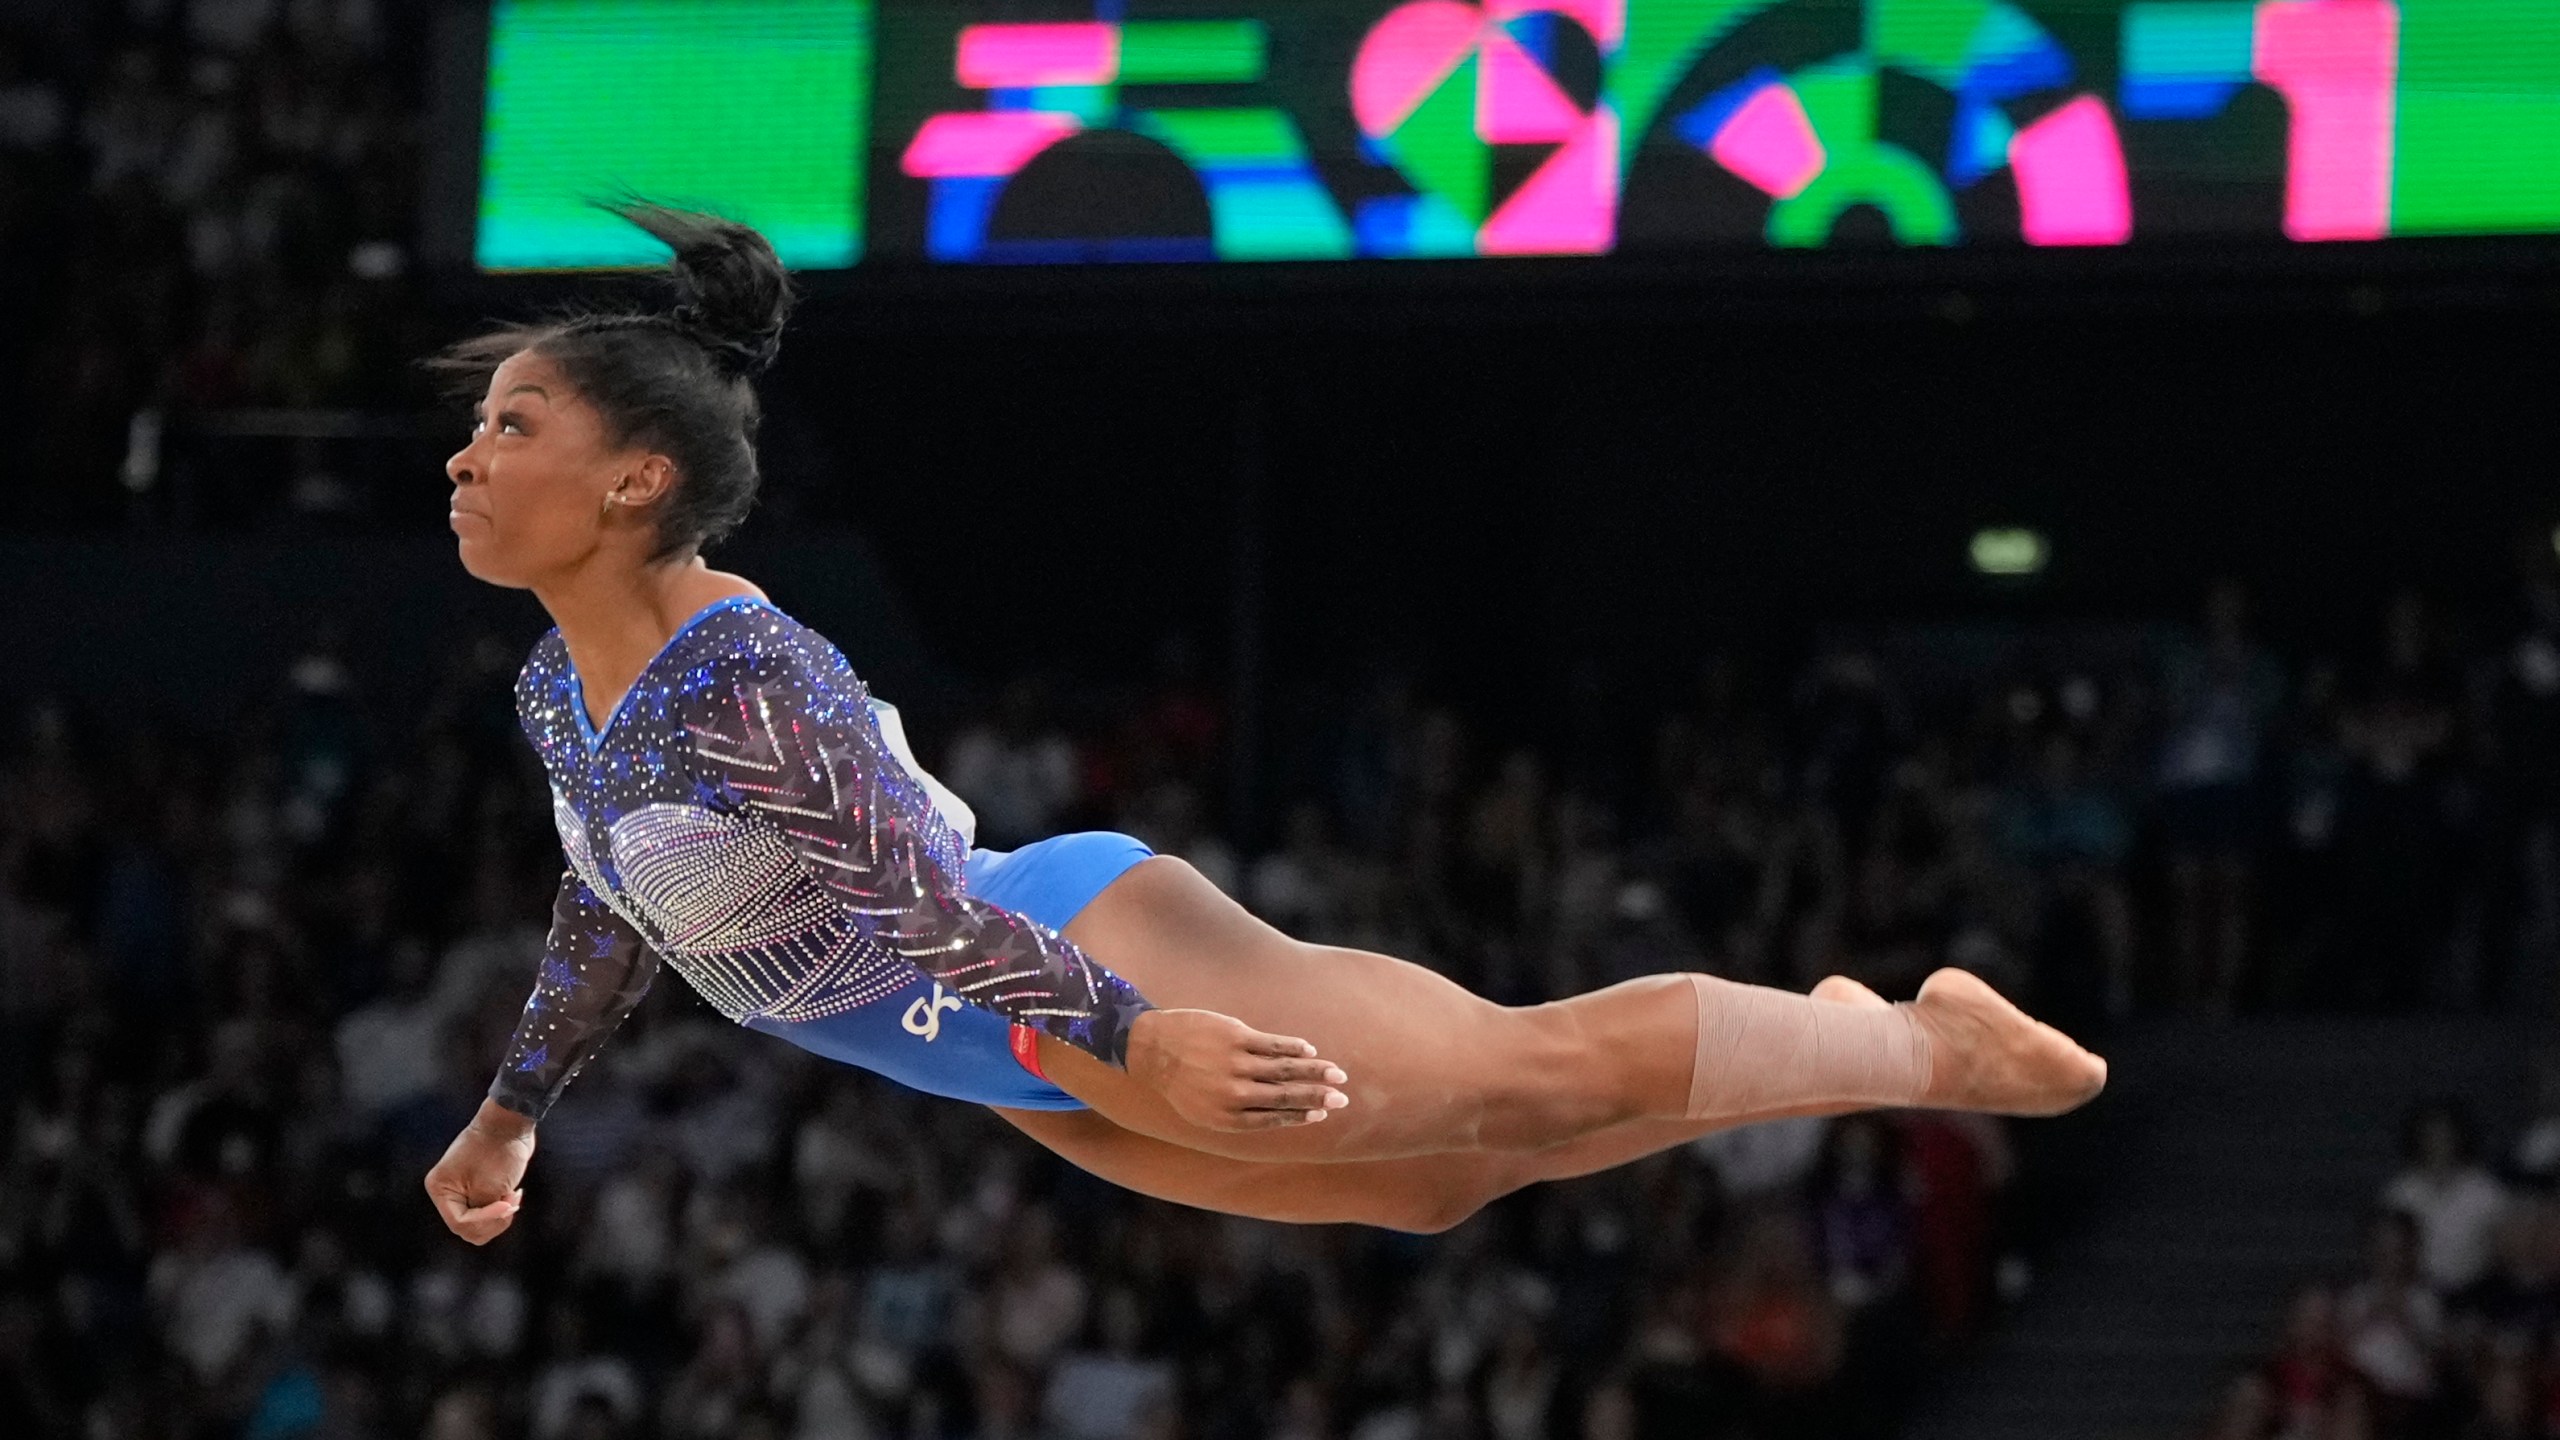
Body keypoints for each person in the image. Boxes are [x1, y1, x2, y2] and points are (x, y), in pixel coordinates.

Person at [421, 202, 2107, 1242]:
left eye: (513, 423)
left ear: (636, 478)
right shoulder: (564, 684)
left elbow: (909, 905)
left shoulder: (738, 680)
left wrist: (1135, 1031)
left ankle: (1918, 1045)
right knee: (1437, 1182)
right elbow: (618, 894)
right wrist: (515, 1107)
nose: (465, 456)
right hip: (1001, 1052)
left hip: (1062, 965)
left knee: (1522, 1075)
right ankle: (1819, 1039)